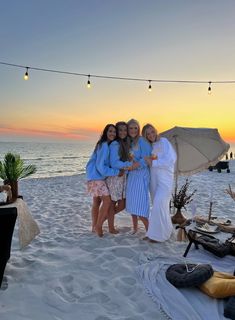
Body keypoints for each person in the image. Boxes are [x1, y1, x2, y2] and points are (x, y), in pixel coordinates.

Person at [142, 123, 177, 242]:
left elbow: (170, 159)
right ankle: (159, 232)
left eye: (152, 131)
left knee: (158, 203)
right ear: (145, 136)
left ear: (156, 130)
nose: (151, 135)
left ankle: (158, 236)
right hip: (154, 179)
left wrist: (154, 162)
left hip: (165, 178)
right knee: (159, 206)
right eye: (148, 134)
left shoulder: (164, 141)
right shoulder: (149, 146)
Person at [86, 124, 122, 237]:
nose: (112, 134)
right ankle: (98, 226)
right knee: (107, 201)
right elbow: (101, 167)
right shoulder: (104, 145)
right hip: (97, 177)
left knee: (96, 202)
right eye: (110, 131)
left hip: (92, 175)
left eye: (114, 132)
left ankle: (94, 226)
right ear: (105, 132)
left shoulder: (102, 144)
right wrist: (116, 172)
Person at [125, 119, 152, 233]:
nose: (133, 130)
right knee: (132, 202)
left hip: (141, 174)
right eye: (131, 128)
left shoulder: (142, 141)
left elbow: (147, 158)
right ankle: (135, 228)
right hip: (131, 175)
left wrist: (134, 166)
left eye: (136, 128)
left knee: (140, 204)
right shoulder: (128, 142)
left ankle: (150, 231)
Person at [106, 121, 132, 233]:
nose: (122, 132)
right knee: (112, 203)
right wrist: (128, 165)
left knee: (122, 204)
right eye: (120, 130)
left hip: (123, 177)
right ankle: (111, 227)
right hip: (115, 177)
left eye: (125, 130)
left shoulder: (125, 143)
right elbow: (114, 163)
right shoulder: (115, 144)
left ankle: (102, 219)